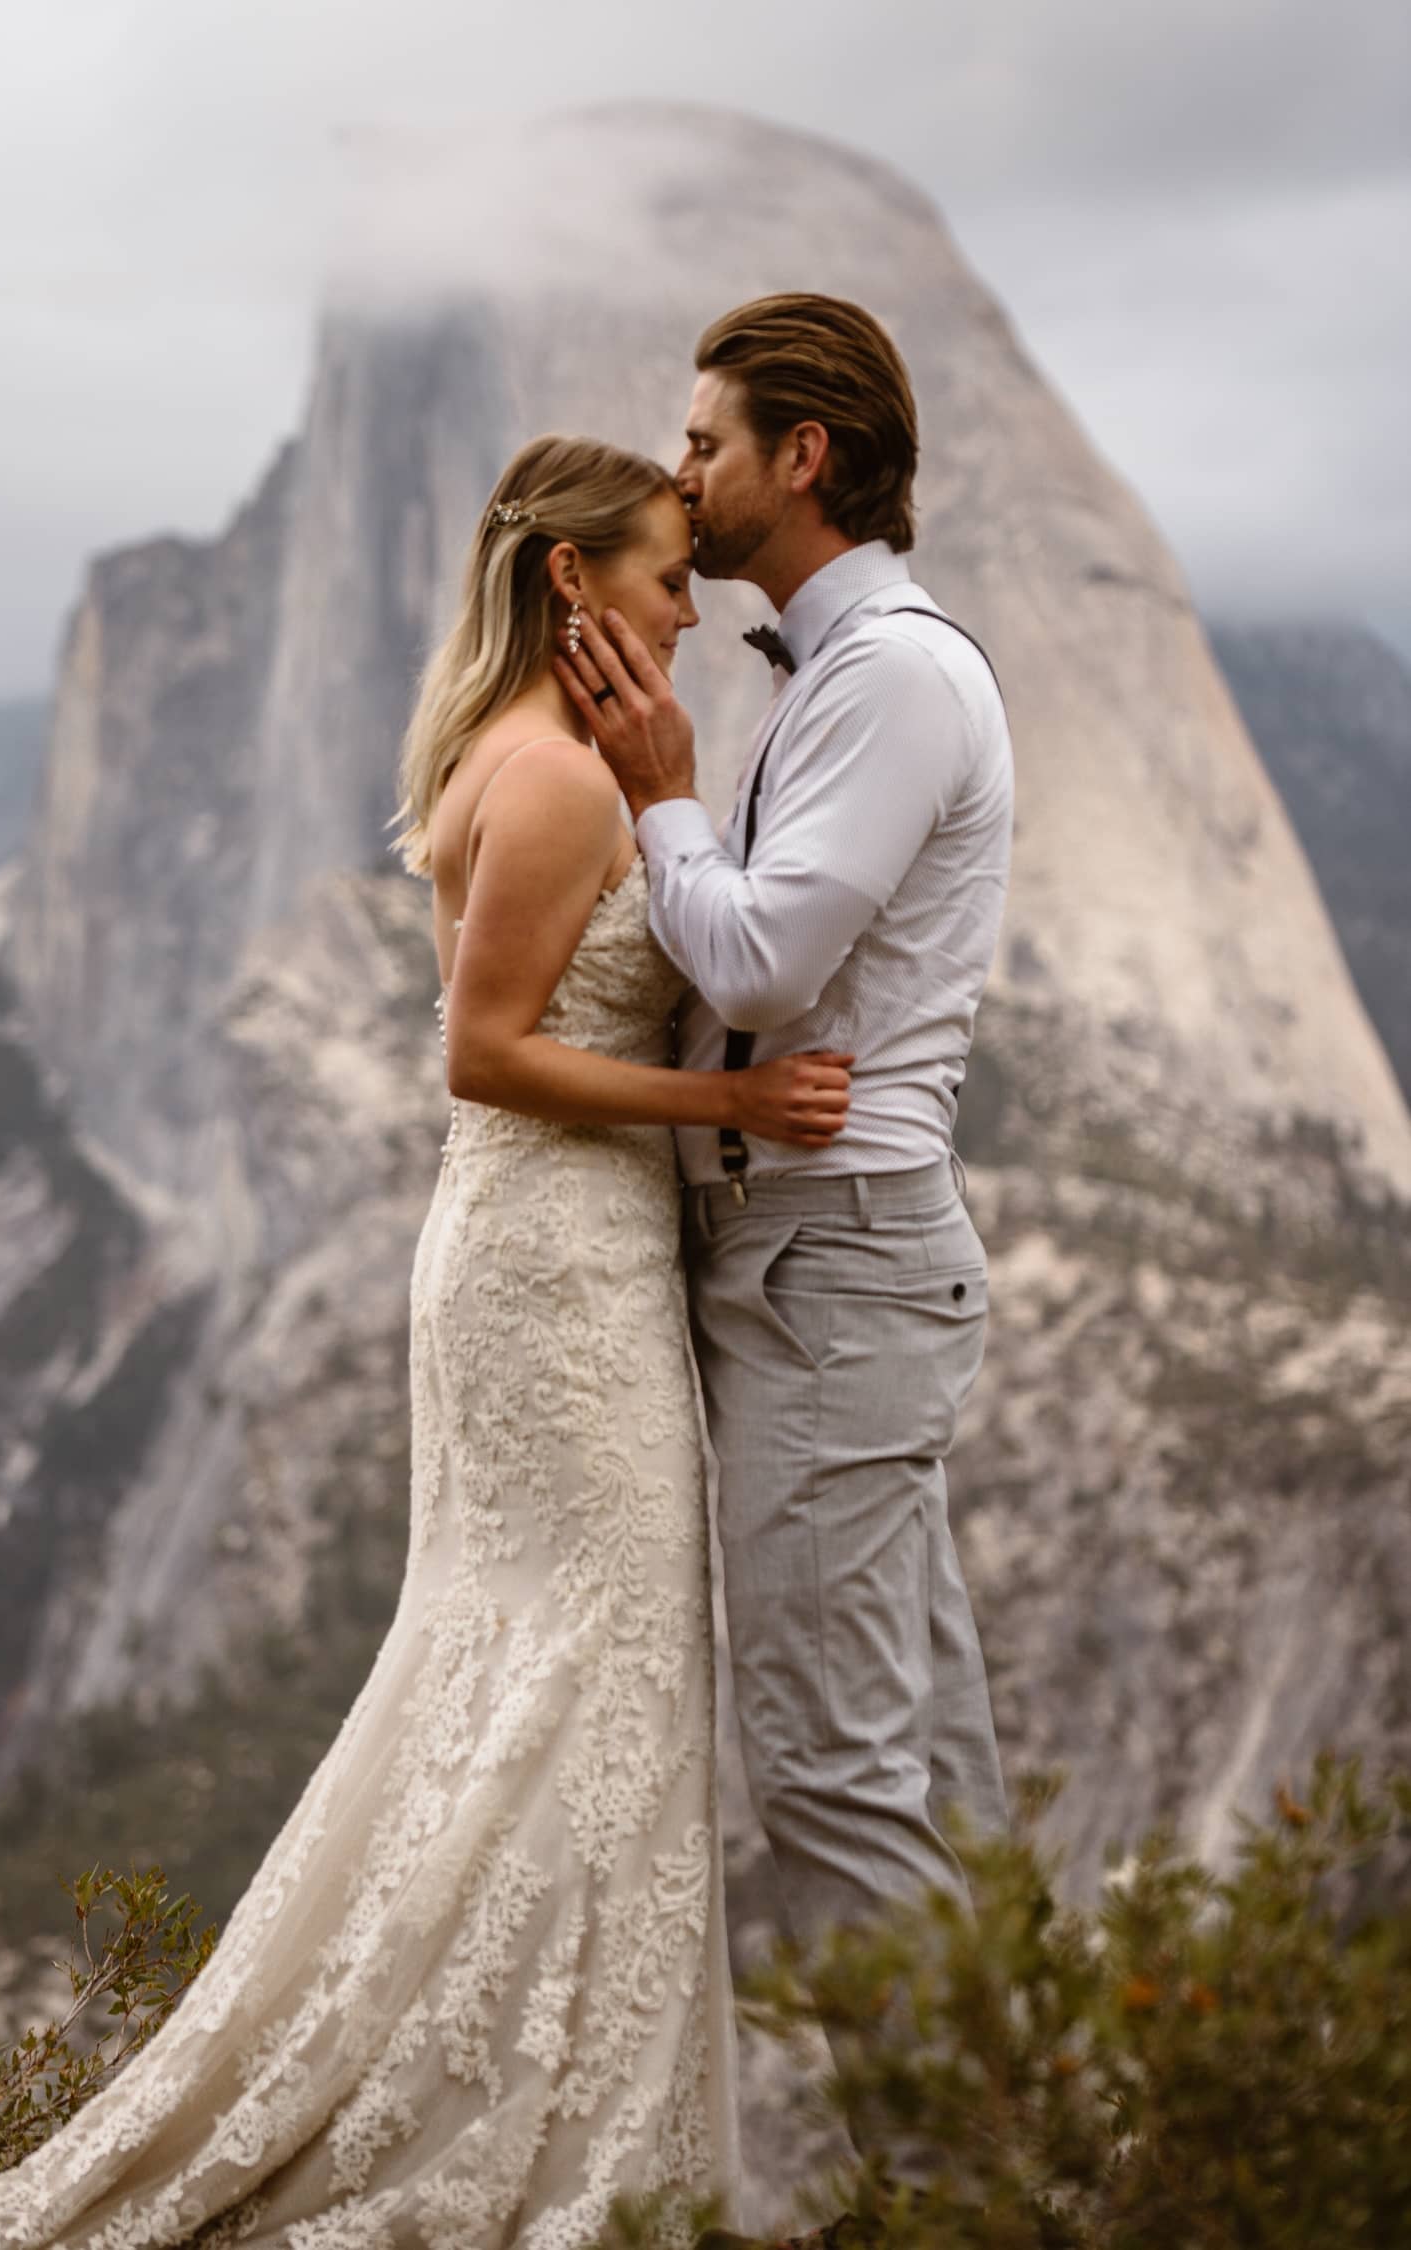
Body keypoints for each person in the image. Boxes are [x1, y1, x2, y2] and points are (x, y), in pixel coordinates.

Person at [0, 434, 854, 2250]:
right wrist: (734, 1097)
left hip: (534, 1256)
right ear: (575, 584)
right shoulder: (566, 782)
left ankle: (527, 2103)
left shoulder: (516, 752)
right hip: (555, 1268)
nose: (687, 601)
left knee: (524, 1679)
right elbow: (481, 1048)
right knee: (589, 1675)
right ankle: (546, 2145)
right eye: (666, 572)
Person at [558, 298, 1014, 2215]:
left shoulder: (895, 675)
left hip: (834, 1265)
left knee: (836, 1775)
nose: (681, 473)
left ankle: (961, 2200)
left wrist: (662, 786)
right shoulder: (834, 670)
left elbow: (758, 968)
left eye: (707, 443)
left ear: (802, 454)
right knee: (929, 1763)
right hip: (814, 1265)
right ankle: (1042, 2166)